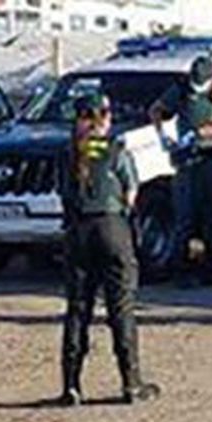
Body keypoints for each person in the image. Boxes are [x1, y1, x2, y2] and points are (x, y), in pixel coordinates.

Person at [59, 93, 159, 405]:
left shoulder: (67, 154)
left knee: (78, 309)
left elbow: (63, 193)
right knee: (121, 307)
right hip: (111, 228)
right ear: (104, 117)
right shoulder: (116, 150)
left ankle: (71, 386)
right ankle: (131, 383)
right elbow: (131, 191)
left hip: (78, 232)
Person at [150, 54, 212, 285]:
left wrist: (201, 133)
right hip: (187, 161)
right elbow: (156, 110)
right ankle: (180, 270)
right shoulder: (181, 88)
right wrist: (163, 135)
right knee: (184, 217)